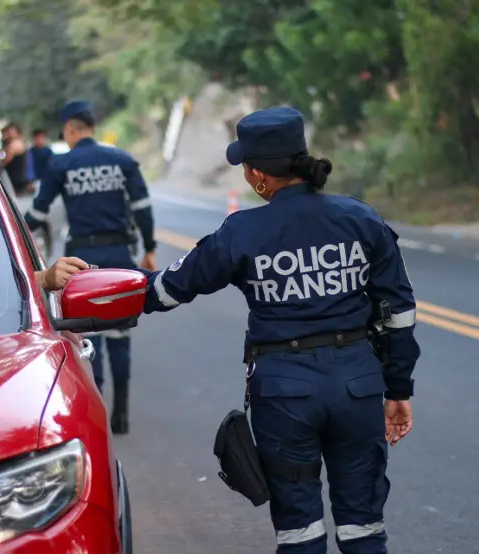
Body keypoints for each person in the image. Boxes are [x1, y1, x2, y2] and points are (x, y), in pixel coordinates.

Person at [59, 107, 419, 553]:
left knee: (300, 532)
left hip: (286, 395)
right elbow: (399, 312)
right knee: (364, 529)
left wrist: (91, 290)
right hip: (358, 387)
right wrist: (398, 387)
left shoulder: (242, 232)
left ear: (257, 175)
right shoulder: (361, 219)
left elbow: (168, 289)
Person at [23, 100, 157, 435]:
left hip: (82, 263)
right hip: (120, 258)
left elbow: (38, 215)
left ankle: (96, 413)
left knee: (89, 337)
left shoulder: (62, 164)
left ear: (70, 129)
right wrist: (150, 247)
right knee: (120, 336)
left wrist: (15, 236)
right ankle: (122, 415)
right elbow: (142, 208)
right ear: (91, 128)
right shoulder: (122, 160)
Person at [0, 122, 32, 196]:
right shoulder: (14, 143)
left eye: (11, 131)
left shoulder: (15, 143)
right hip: (16, 179)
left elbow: (6, 160)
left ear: (17, 132)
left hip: (15, 180)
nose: (9, 133)